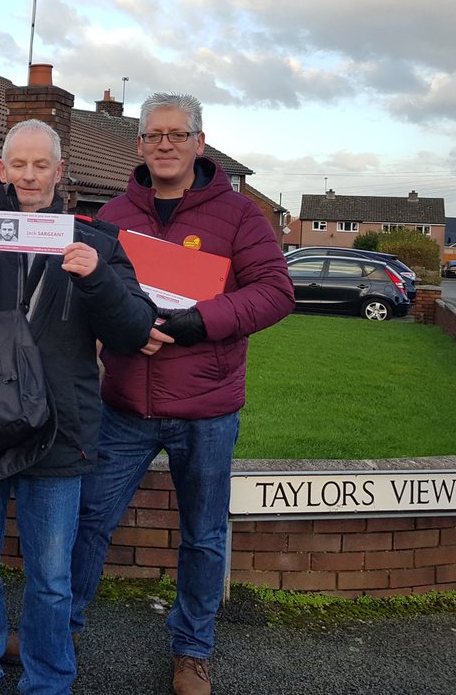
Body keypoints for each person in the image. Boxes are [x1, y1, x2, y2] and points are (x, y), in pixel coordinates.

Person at [0, 119, 155, 695]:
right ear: (1, 170)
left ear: (59, 172)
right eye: (18, 164)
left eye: (41, 164)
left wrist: (98, 282)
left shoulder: (97, 243)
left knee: (50, 579)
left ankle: (48, 681)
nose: (29, 175)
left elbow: (133, 330)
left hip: (60, 431)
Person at [68, 92, 294, 695]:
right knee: (89, 520)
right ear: (138, 144)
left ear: (199, 141)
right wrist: (120, 328)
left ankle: (192, 650)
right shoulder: (113, 212)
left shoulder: (240, 216)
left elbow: (275, 292)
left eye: (177, 134)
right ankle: (58, 627)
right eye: (153, 135)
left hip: (206, 409)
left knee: (203, 533)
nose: (164, 144)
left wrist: (198, 322)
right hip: (123, 404)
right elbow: (90, 297)